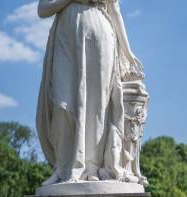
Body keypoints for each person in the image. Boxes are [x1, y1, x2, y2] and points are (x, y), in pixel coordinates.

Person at [36, 0, 144, 185]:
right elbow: (43, 9)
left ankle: (91, 167)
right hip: (66, 35)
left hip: (99, 35)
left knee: (97, 107)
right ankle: (63, 167)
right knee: (61, 105)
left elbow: (115, 10)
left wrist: (127, 51)